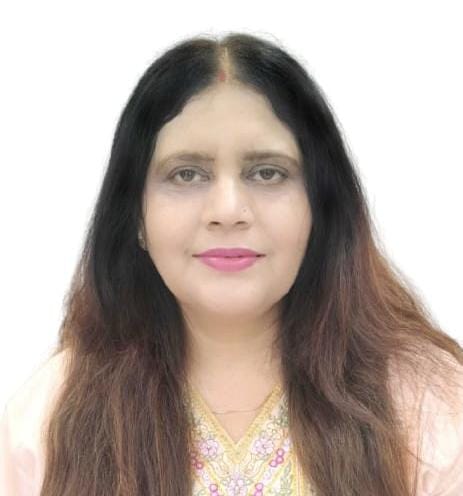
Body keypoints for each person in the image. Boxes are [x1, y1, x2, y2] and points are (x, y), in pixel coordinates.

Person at [1, 32, 462, 496]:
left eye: (267, 172)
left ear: (320, 208)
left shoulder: (431, 408)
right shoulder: (43, 421)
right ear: (135, 216)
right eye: (187, 174)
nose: (227, 210)